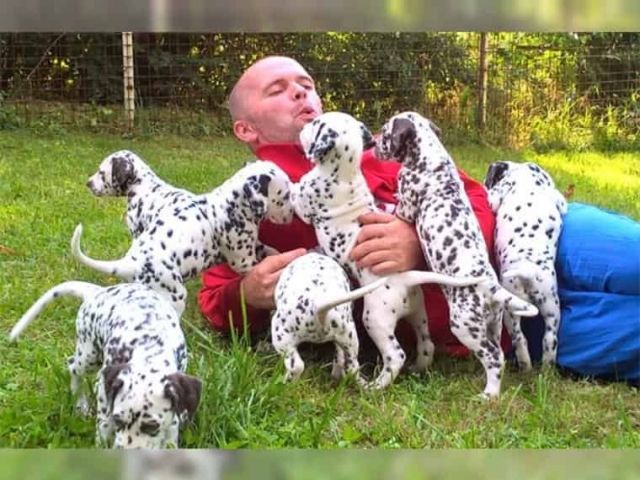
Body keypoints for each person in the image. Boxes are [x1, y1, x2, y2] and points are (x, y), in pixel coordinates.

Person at [197, 55, 505, 358]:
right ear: (245, 129)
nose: (301, 92)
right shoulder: (249, 199)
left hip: (501, 279)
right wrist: (247, 293)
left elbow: (475, 198)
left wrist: (419, 241)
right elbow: (213, 298)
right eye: (277, 90)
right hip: (445, 327)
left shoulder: (380, 151)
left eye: (307, 85)